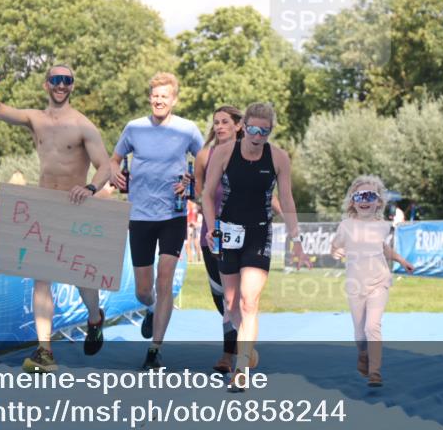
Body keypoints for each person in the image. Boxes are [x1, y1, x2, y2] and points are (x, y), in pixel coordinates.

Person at [0, 64, 111, 373]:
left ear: (72, 86)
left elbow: (105, 166)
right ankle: (44, 350)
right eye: (56, 79)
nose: (61, 85)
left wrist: (91, 187)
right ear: (46, 85)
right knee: (41, 278)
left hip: (74, 206)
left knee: (82, 278)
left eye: (67, 80)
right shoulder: (34, 119)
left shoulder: (83, 125)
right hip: (43, 205)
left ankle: (95, 317)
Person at [202, 102, 311, 391]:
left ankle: (241, 369)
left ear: (270, 131)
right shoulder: (224, 152)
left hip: (259, 233)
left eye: (264, 131)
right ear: (243, 127)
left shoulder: (278, 158)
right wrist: (212, 227)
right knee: (231, 303)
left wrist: (296, 240)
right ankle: (249, 351)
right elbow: (207, 194)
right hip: (227, 232)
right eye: (252, 129)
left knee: (249, 300)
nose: (257, 135)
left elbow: (286, 201)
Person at [109, 72, 204, 370]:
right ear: (150, 98)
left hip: (173, 215)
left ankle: (154, 350)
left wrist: (192, 182)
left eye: (165, 96)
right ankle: (149, 309)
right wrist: (115, 172)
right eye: (155, 95)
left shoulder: (188, 130)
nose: (159, 100)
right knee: (142, 289)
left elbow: (204, 165)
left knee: (165, 281)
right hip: (139, 216)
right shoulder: (134, 128)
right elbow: (114, 160)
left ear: (174, 100)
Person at [331, 175, 414, 387]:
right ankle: (362, 355)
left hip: (379, 282)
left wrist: (402, 261)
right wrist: (336, 252)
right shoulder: (346, 225)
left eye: (370, 195)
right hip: (355, 285)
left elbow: (383, 248)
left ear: (378, 202)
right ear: (353, 201)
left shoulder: (383, 226)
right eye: (359, 195)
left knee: (372, 327)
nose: (364, 200)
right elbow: (335, 246)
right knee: (359, 333)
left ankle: (375, 371)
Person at [193, 105, 244, 374]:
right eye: (216, 122)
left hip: (244, 234)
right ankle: (234, 343)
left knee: (239, 296)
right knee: (219, 296)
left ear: (238, 125)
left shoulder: (251, 152)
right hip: (211, 233)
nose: (220, 126)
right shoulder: (204, 155)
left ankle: (230, 354)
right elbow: (200, 193)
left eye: (225, 122)